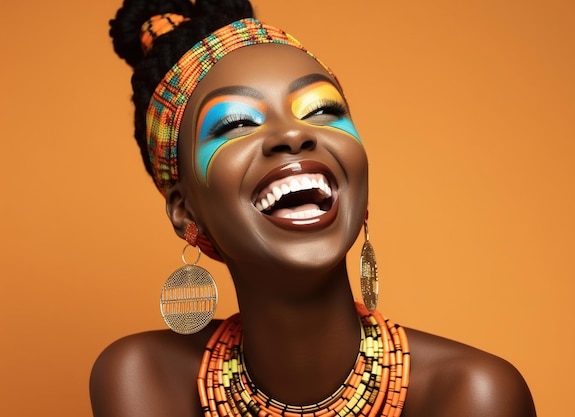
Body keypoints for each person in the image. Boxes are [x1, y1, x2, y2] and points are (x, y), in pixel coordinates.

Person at [90, 1, 537, 416]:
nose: (293, 135)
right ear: (185, 210)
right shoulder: (143, 378)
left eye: (322, 109)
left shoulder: (473, 395)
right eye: (237, 123)